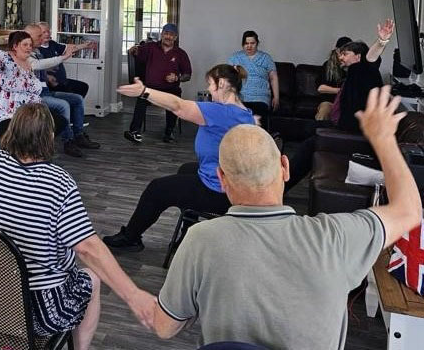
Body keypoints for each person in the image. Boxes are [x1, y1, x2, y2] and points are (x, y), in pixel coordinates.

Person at [151, 87, 422, 349]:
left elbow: (164, 327)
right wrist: (383, 139)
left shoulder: (200, 240)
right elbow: (409, 210)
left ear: (221, 179)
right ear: (284, 167)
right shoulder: (337, 237)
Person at [0, 99, 156, 349]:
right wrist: (133, 294)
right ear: (49, 138)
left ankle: (11, 342)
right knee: (92, 278)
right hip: (35, 312)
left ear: (11, 130)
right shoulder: (58, 183)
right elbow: (87, 247)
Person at [103, 65, 255, 252]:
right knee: (186, 169)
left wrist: (144, 91)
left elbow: (178, 106)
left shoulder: (221, 112)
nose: (208, 89)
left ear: (221, 84)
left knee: (156, 188)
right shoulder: (244, 113)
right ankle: (187, 236)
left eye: (210, 84)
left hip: (219, 192)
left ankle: (131, 237)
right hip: (231, 184)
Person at [286, 20, 395, 193]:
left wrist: (381, 42)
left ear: (358, 57)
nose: (340, 57)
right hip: (344, 126)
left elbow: (371, 57)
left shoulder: (365, 70)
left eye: (345, 54)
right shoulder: (354, 73)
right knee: (301, 129)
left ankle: (280, 186)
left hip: (353, 133)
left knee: (309, 143)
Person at [25, 24, 100, 157]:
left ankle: (79, 135)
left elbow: (40, 67)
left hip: (47, 91)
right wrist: (61, 59)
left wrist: (84, 45)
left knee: (77, 99)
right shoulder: (27, 53)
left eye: (46, 32)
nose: (44, 36)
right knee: (64, 104)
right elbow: (36, 65)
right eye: (40, 35)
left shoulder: (37, 51)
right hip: (36, 95)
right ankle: (68, 141)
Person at [0, 25, 61, 136]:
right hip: (7, 112)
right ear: (15, 46)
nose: (29, 48)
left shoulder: (28, 62)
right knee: (26, 133)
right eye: (25, 45)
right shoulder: (5, 58)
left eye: (30, 45)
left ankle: (34, 149)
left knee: (59, 122)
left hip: (30, 112)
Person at [125, 23, 192, 143]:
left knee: (174, 98)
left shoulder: (181, 53)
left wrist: (177, 78)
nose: (168, 37)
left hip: (170, 88)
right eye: (166, 33)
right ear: (162, 34)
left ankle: (169, 132)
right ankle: (134, 132)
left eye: (171, 35)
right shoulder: (150, 47)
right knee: (141, 97)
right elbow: (136, 51)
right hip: (151, 88)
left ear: (175, 37)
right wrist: (133, 50)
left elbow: (187, 75)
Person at [227, 30, 278, 130]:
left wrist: (276, 97)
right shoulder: (235, 58)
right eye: (246, 43)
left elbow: (273, 78)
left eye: (252, 43)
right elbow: (228, 77)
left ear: (257, 44)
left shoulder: (266, 58)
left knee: (258, 121)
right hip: (241, 96)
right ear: (243, 44)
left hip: (260, 97)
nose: (249, 46)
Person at [36, 21, 92, 98]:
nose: (47, 34)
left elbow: (70, 48)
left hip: (62, 81)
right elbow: (36, 68)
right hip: (52, 84)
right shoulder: (36, 49)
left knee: (83, 87)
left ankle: (73, 108)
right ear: (38, 34)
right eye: (44, 32)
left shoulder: (52, 43)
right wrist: (47, 77)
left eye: (48, 31)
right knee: (75, 97)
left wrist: (85, 45)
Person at [316, 36, 351, 120]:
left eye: (346, 53)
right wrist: (341, 91)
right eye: (342, 52)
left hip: (347, 103)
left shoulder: (354, 67)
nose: (343, 56)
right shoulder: (328, 65)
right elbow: (321, 88)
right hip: (329, 102)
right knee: (325, 109)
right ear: (336, 50)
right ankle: (319, 132)